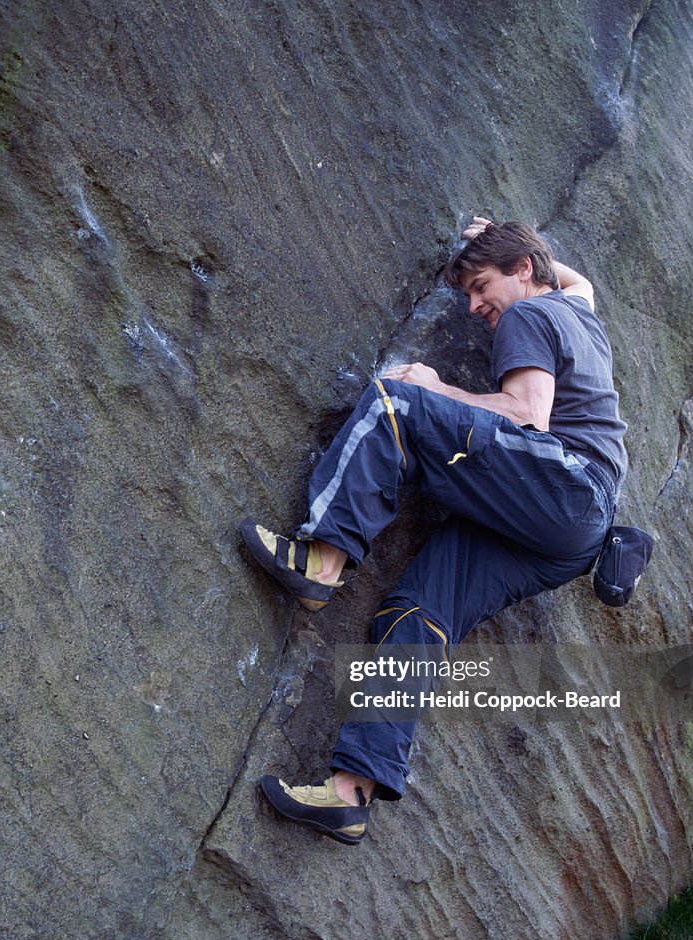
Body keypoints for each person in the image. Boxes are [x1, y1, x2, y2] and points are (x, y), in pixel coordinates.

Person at [241, 217, 628, 845]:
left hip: (562, 486)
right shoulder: (579, 312)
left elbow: (529, 417)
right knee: (416, 613)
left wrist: (436, 387)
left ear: (523, 272)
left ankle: (320, 563)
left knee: (397, 403)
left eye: (480, 287)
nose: (476, 307)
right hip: (571, 532)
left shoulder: (529, 317)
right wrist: (503, 236)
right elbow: (575, 277)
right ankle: (349, 793)